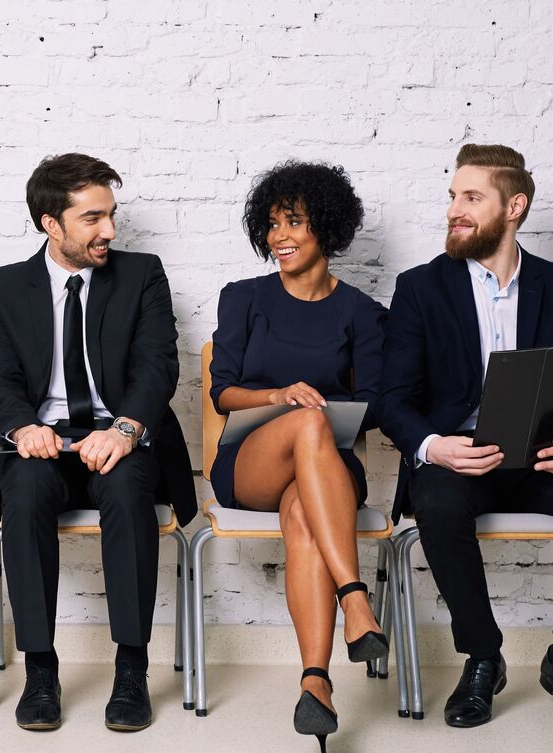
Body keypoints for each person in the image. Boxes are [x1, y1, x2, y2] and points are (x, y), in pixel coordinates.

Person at [377, 144, 553, 730]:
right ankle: (483, 657)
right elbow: (392, 400)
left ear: (514, 206)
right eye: (453, 196)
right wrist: (434, 447)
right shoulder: (419, 289)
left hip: (545, 459)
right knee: (436, 500)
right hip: (462, 460)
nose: (456, 208)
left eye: (472, 197)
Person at [0, 153, 196, 732]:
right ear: (51, 223)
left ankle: (131, 670)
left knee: (127, 494)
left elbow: (158, 366)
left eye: (112, 215)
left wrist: (123, 429)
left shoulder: (142, 273)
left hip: (118, 436)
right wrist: (23, 428)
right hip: (41, 438)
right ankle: (40, 671)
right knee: (23, 494)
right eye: (93, 218)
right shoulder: (3, 286)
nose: (111, 231)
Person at [209, 160, 389, 753]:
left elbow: (377, 404)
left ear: (327, 230)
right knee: (308, 420)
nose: (278, 235)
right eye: (270, 224)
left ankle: (316, 683)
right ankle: (355, 598)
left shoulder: (362, 312)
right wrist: (280, 397)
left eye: (293, 222)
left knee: (304, 517)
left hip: (328, 470)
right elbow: (223, 391)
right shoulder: (243, 298)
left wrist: (327, 414)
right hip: (252, 457)